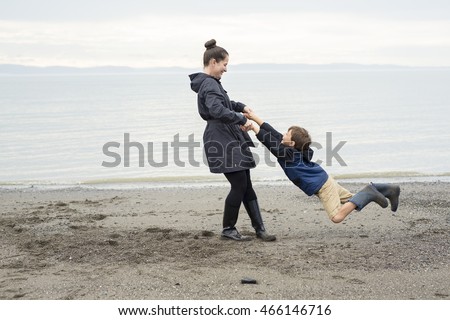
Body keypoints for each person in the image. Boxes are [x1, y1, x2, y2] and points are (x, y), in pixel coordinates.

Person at [243, 111, 400, 223]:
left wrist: (254, 128)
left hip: (323, 186)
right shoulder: (295, 149)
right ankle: (388, 190)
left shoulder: (287, 153)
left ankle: (370, 192)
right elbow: (273, 133)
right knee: (352, 200)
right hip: (325, 179)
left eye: (286, 134)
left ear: (291, 143)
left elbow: (270, 142)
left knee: (337, 216)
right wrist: (254, 117)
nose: (282, 134)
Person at [189, 39, 276, 241]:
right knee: (239, 185)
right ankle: (228, 229)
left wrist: (240, 106)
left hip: (226, 135)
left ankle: (260, 229)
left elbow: (224, 103)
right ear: (213, 62)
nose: (226, 69)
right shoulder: (209, 83)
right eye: (224, 64)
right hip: (221, 138)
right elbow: (217, 110)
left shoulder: (210, 84)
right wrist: (241, 118)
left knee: (246, 184)